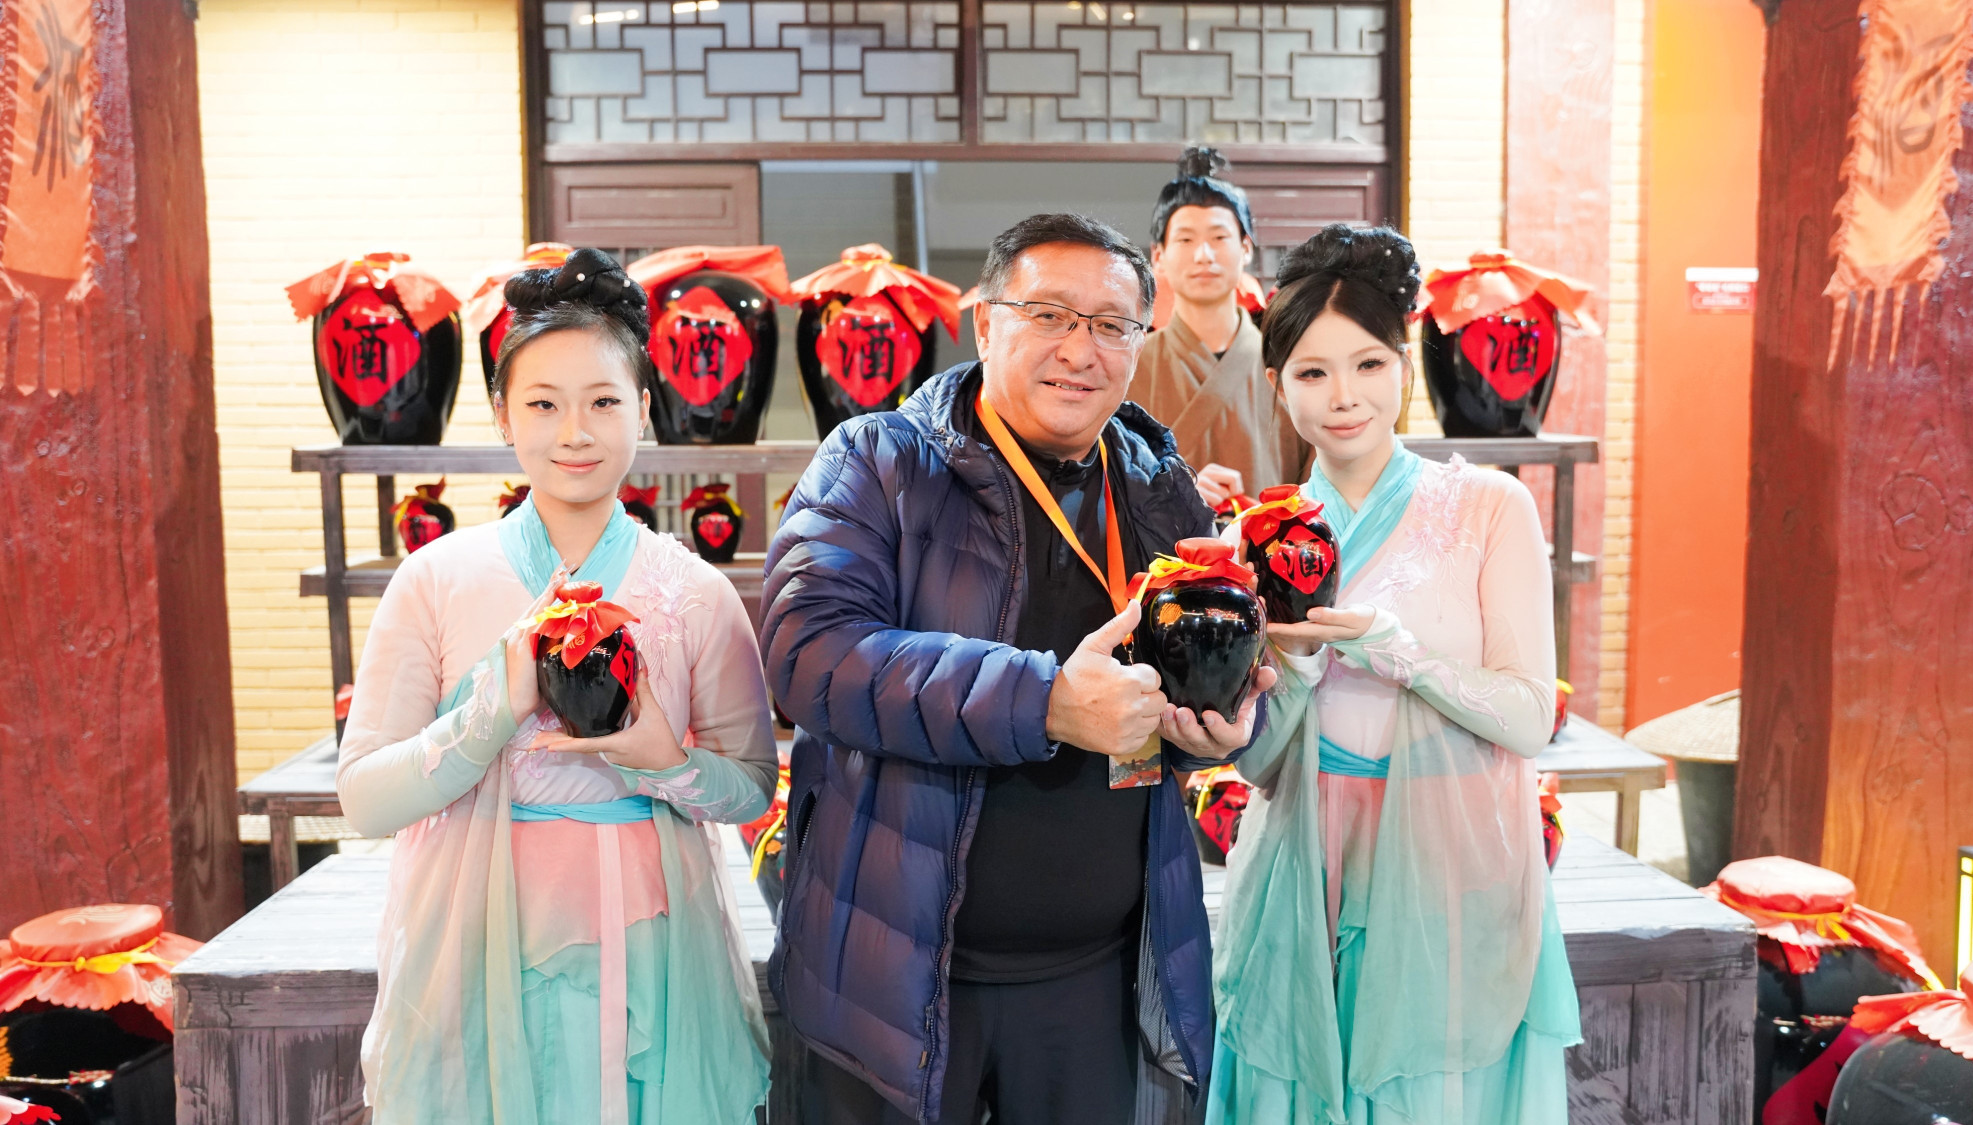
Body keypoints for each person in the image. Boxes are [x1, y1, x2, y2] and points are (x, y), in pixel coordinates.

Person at [761, 212, 1278, 1125]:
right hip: (896, 982)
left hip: (1100, 982)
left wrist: (1217, 725)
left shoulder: (1158, 485)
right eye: (1050, 315)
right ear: (985, 323)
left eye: (1112, 325)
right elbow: (810, 652)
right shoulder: (878, 461)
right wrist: (1044, 702)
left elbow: (1205, 664)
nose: (1081, 350)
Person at [336, 248, 777, 1124]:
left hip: (655, 944)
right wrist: (489, 716)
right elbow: (364, 800)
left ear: (644, 411)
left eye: (604, 402)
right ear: (503, 413)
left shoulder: (697, 592)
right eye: (543, 403)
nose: (575, 431)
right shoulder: (433, 579)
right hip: (476, 940)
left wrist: (668, 763)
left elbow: (753, 785)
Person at [1207, 224, 1583, 1124]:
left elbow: (1529, 716)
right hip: (1302, 867)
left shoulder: (1490, 506)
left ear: (1405, 365)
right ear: (1277, 383)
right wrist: (1298, 662)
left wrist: (1397, 651)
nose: (1344, 396)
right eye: (1312, 372)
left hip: (1449, 868)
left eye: (1369, 364)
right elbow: (1255, 764)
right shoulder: (1257, 533)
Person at [1129, 146, 1309, 505]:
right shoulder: (1128, 365)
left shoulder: (1292, 364)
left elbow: (1315, 487)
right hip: (1160, 545)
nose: (1204, 255)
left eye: (1219, 238)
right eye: (1185, 239)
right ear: (1159, 256)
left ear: (1246, 248)